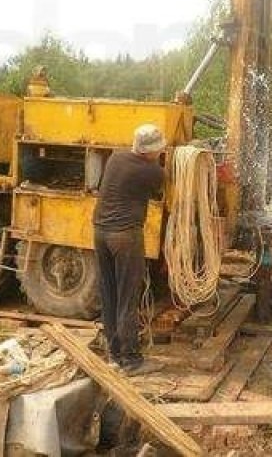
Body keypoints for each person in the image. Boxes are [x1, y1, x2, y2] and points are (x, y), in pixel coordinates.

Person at [93, 124, 165, 372]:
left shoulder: (116, 157)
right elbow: (160, 189)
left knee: (109, 294)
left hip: (100, 232)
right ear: (152, 150)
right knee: (128, 297)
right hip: (125, 236)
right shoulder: (151, 171)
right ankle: (132, 360)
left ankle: (113, 354)